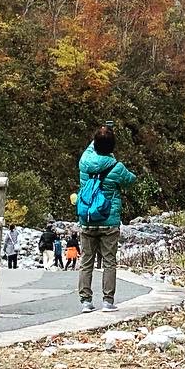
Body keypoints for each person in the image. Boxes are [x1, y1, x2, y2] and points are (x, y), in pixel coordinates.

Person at [76, 124, 136, 312]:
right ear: (112, 147)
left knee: (86, 261)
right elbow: (131, 180)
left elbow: (90, 147)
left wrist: (100, 133)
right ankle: (107, 301)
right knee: (109, 261)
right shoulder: (116, 167)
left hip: (87, 220)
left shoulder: (84, 162)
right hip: (108, 222)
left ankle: (85, 301)